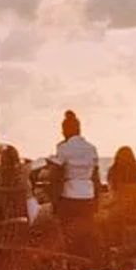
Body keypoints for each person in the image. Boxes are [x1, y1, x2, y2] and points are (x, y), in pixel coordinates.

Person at [48, 110, 100, 259]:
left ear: (66, 130)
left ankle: (72, 262)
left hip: (69, 196)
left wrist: (53, 200)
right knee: (85, 234)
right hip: (88, 196)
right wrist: (97, 200)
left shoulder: (64, 148)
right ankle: (86, 262)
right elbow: (95, 176)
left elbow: (56, 174)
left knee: (68, 234)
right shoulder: (91, 148)